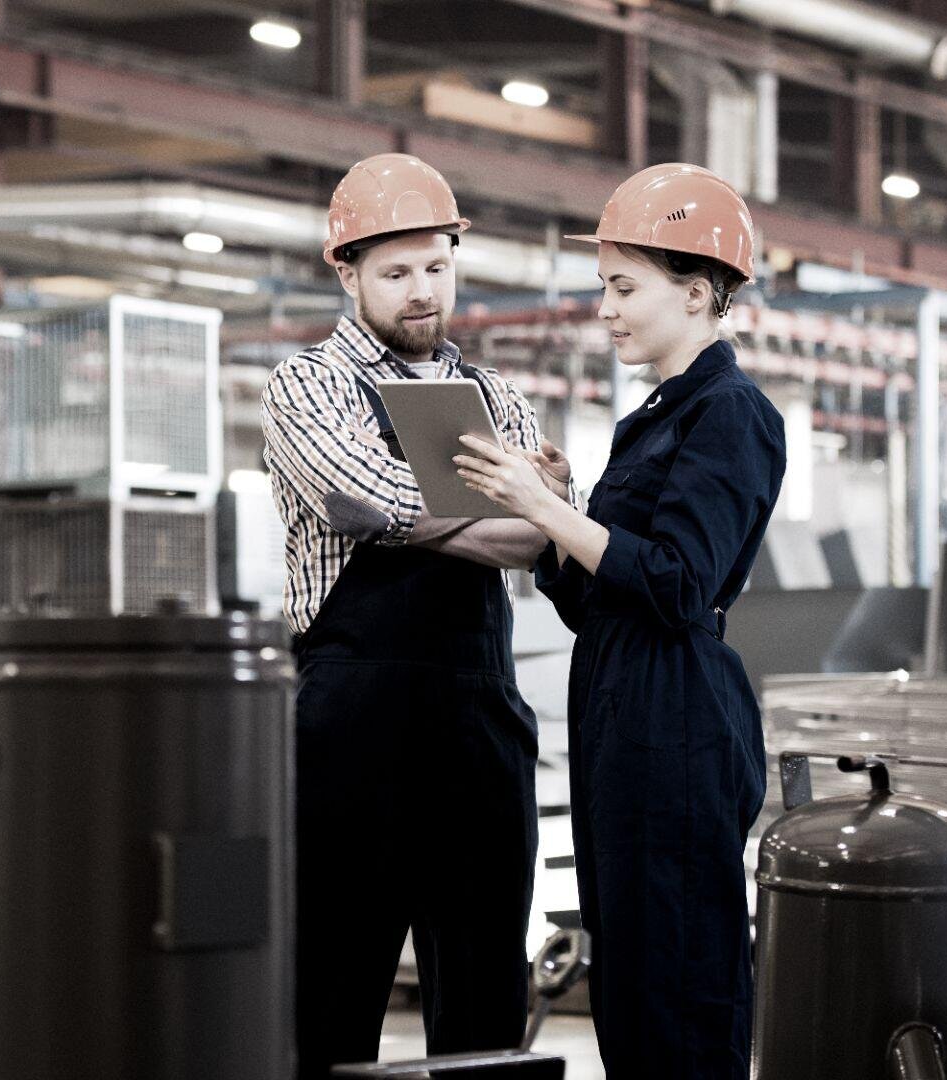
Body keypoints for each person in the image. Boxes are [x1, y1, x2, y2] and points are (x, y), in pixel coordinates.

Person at [452, 163, 786, 1078]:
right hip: (619, 704)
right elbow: (598, 596)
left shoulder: (733, 416)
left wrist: (551, 511)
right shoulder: (652, 421)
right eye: (605, 286)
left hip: (678, 716)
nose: (605, 308)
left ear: (696, 292)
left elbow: (679, 585)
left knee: (680, 978)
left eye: (622, 287)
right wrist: (562, 514)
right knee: (631, 981)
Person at [259, 152, 560, 1078]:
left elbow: (542, 537)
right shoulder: (305, 386)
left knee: (483, 1001)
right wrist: (502, 507)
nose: (421, 290)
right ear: (347, 272)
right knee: (329, 987)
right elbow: (356, 499)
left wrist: (431, 515)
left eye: (436, 266)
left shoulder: (500, 395)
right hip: (349, 724)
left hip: (480, 726)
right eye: (395, 273)